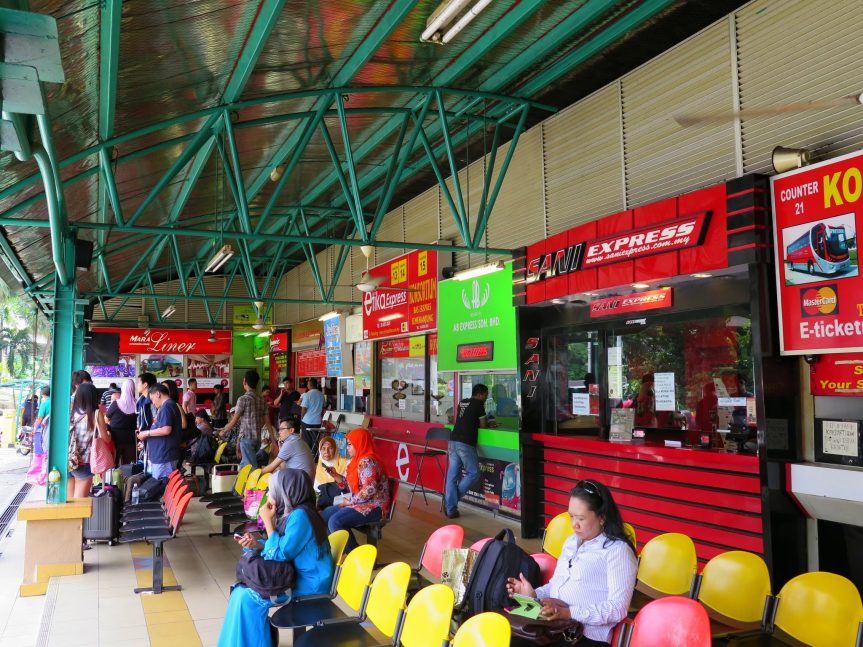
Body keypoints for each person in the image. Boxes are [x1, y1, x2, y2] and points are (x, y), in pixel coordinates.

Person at [506, 480, 637, 647]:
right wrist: (533, 595)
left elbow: (617, 608)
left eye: (581, 518)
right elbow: (557, 585)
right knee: (503, 636)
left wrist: (568, 613)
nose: (574, 524)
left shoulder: (617, 551)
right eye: (571, 516)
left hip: (585, 635)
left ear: (602, 518)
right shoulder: (571, 542)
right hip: (554, 626)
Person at [217, 468, 334, 647]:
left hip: (308, 584)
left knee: (246, 598)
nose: (270, 494)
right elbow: (283, 546)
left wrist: (267, 521)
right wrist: (257, 544)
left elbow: (280, 554)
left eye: (274, 489)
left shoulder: (300, 516)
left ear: (287, 491)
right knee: (239, 592)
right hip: (296, 575)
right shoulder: (296, 512)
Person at [321, 428, 389, 553]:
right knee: (325, 515)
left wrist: (350, 501)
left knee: (335, 521)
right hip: (361, 503)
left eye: (350, 444)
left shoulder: (367, 462)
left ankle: (356, 555)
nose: (347, 448)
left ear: (360, 443)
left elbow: (369, 489)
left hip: (374, 507)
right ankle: (333, 551)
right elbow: (351, 485)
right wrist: (336, 476)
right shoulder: (357, 460)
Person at [445, 383, 490, 519]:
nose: (486, 398)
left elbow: (463, 419)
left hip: (453, 440)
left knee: (452, 475)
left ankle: (450, 506)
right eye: (486, 395)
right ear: (480, 394)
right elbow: (483, 425)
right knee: (474, 473)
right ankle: (450, 503)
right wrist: (489, 422)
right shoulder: (479, 405)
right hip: (465, 443)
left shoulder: (463, 402)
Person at [219, 370, 267, 470]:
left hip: (247, 439)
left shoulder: (243, 399)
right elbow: (266, 421)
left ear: (244, 381)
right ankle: (236, 486)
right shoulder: (262, 400)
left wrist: (223, 431)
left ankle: (250, 485)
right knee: (243, 467)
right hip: (257, 440)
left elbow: (234, 421)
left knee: (250, 467)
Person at [67, 383, 109, 499]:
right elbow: (106, 439)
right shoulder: (95, 414)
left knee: (69, 500)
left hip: (67, 459)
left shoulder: (70, 412)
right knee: (79, 504)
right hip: (82, 461)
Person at [136, 383, 181, 479]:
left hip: (164, 456)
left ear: (158, 394)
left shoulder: (167, 406)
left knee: (162, 486)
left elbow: (166, 430)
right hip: (163, 456)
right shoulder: (168, 405)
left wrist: (146, 433)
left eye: (152, 399)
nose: (153, 403)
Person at [260, 418, 314, 482]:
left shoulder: (290, 443)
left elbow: (271, 467)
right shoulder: (299, 441)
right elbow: (284, 468)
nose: (279, 432)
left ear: (291, 430)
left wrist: (255, 476)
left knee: (273, 476)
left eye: (282, 429)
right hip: (306, 483)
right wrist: (281, 449)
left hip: (300, 484)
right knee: (278, 470)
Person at [106, 378, 138, 465]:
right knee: (129, 466)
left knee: (114, 464)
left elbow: (107, 418)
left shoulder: (115, 404)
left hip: (115, 439)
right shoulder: (137, 404)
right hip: (131, 440)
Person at [300, 377, 325, 456]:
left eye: (307, 384)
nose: (307, 385)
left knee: (307, 440)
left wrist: (302, 418)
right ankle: (315, 456)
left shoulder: (307, 395)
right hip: (317, 421)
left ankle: (309, 457)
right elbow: (324, 406)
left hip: (307, 421)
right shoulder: (321, 395)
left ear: (310, 385)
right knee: (315, 440)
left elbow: (304, 408)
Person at [136, 372, 157, 439]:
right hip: (143, 435)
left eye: (138, 383)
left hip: (151, 437)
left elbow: (155, 420)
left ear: (145, 384)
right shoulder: (140, 400)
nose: (137, 385)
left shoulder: (152, 400)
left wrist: (146, 434)